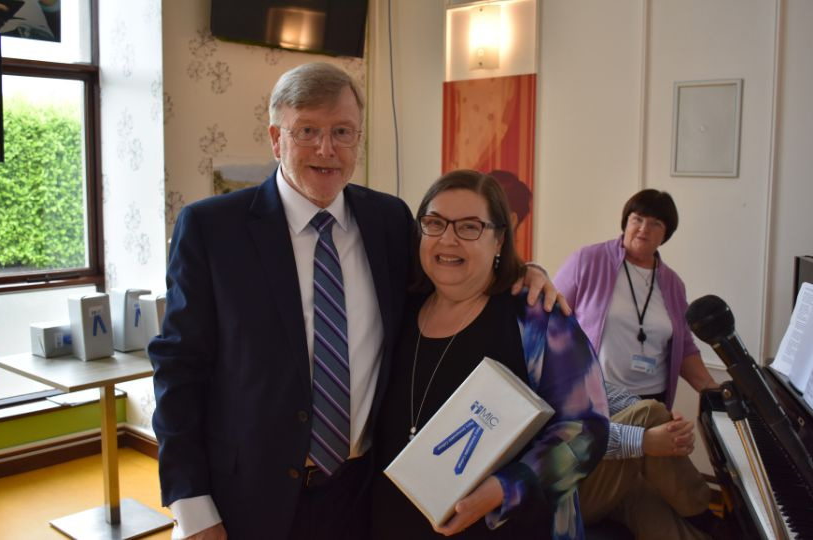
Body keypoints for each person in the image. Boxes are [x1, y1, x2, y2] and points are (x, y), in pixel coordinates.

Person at [149, 63, 561, 540]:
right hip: (246, 499)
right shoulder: (211, 229)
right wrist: (193, 506)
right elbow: (179, 369)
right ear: (275, 138)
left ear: (358, 139)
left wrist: (524, 270)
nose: (327, 149)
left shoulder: (387, 220)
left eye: (343, 132)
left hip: (363, 495)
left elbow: (448, 269)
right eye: (308, 131)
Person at [370, 170, 609, 540]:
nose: (447, 239)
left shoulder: (537, 319)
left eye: (469, 227)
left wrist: (504, 488)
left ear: (499, 240)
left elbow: (587, 430)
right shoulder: (396, 308)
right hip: (392, 521)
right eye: (434, 223)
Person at [553, 189, 721, 537]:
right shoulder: (588, 261)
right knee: (652, 419)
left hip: (645, 398)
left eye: (654, 223)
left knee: (659, 509)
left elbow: (684, 345)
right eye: (636, 219)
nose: (643, 228)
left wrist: (712, 389)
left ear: (666, 234)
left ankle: (708, 524)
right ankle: (701, 507)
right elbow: (551, 318)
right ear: (625, 222)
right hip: (595, 405)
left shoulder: (672, 284)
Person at [581, 383, 718, 540]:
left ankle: (711, 525)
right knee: (649, 413)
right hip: (555, 499)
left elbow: (601, 393)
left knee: (658, 516)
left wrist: (668, 423)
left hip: (582, 477)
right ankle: (704, 516)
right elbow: (560, 438)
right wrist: (643, 439)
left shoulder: (566, 363)